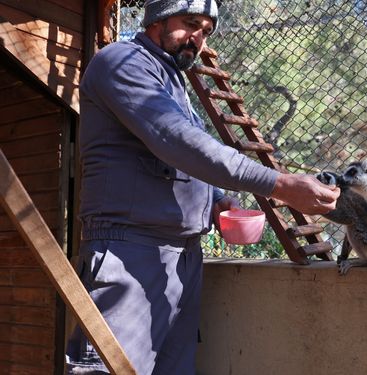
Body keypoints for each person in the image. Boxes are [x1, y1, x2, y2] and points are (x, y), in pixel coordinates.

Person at [64, 0, 340, 373]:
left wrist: (217, 200)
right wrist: (280, 184)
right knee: (112, 367)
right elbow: (177, 141)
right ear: (156, 20)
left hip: (182, 256)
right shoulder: (121, 62)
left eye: (206, 30)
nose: (198, 37)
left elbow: (184, 156)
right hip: (130, 248)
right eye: (190, 22)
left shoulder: (172, 79)